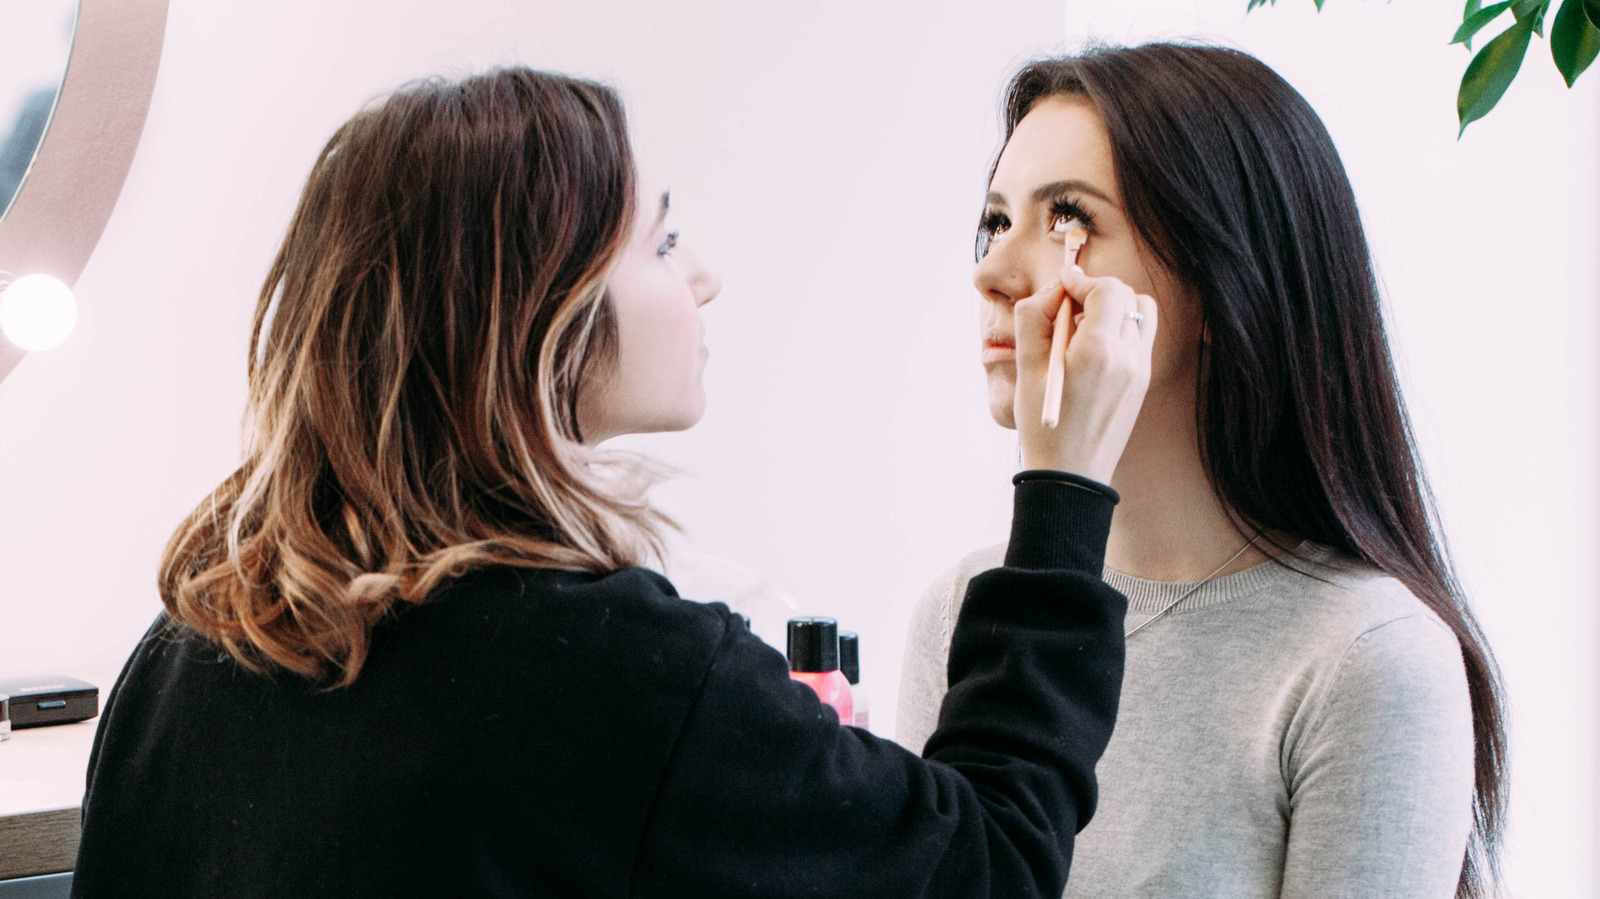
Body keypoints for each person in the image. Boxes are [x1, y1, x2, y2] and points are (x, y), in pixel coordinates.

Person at [72, 68, 1157, 898]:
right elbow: (992, 863)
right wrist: (1061, 492)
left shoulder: (183, 655)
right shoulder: (614, 671)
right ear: (540, 310)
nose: (703, 276)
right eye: (662, 239)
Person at [897, 44, 1507, 899]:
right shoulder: (964, 610)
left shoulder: (1371, 662)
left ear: (1227, 284)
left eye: (1067, 219)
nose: (991, 270)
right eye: (997, 220)